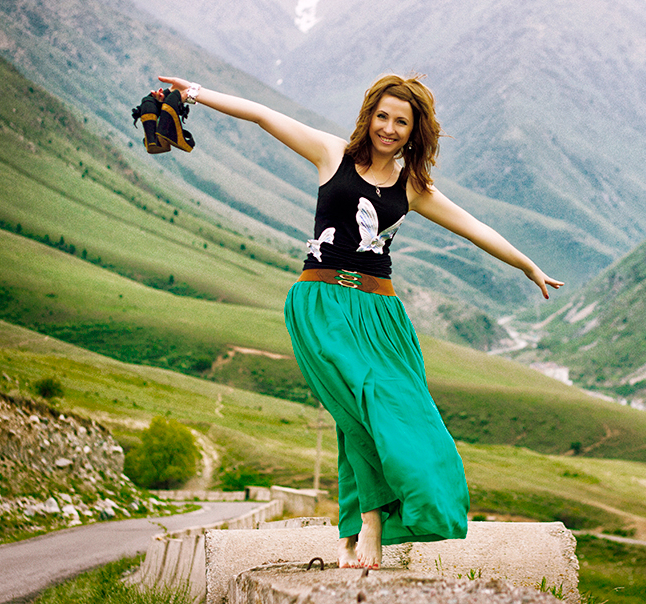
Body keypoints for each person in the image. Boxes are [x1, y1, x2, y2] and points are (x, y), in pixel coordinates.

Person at [152, 74, 563, 569]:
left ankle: (358, 527)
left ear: (414, 132)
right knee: (362, 409)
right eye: (382, 116)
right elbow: (262, 115)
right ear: (369, 116)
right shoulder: (333, 155)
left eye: (401, 122)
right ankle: (370, 522)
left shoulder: (414, 188)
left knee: (403, 418)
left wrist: (527, 265)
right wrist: (195, 93)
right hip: (322, 304)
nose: (388, 128)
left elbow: (475, 229)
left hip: (382, 315)